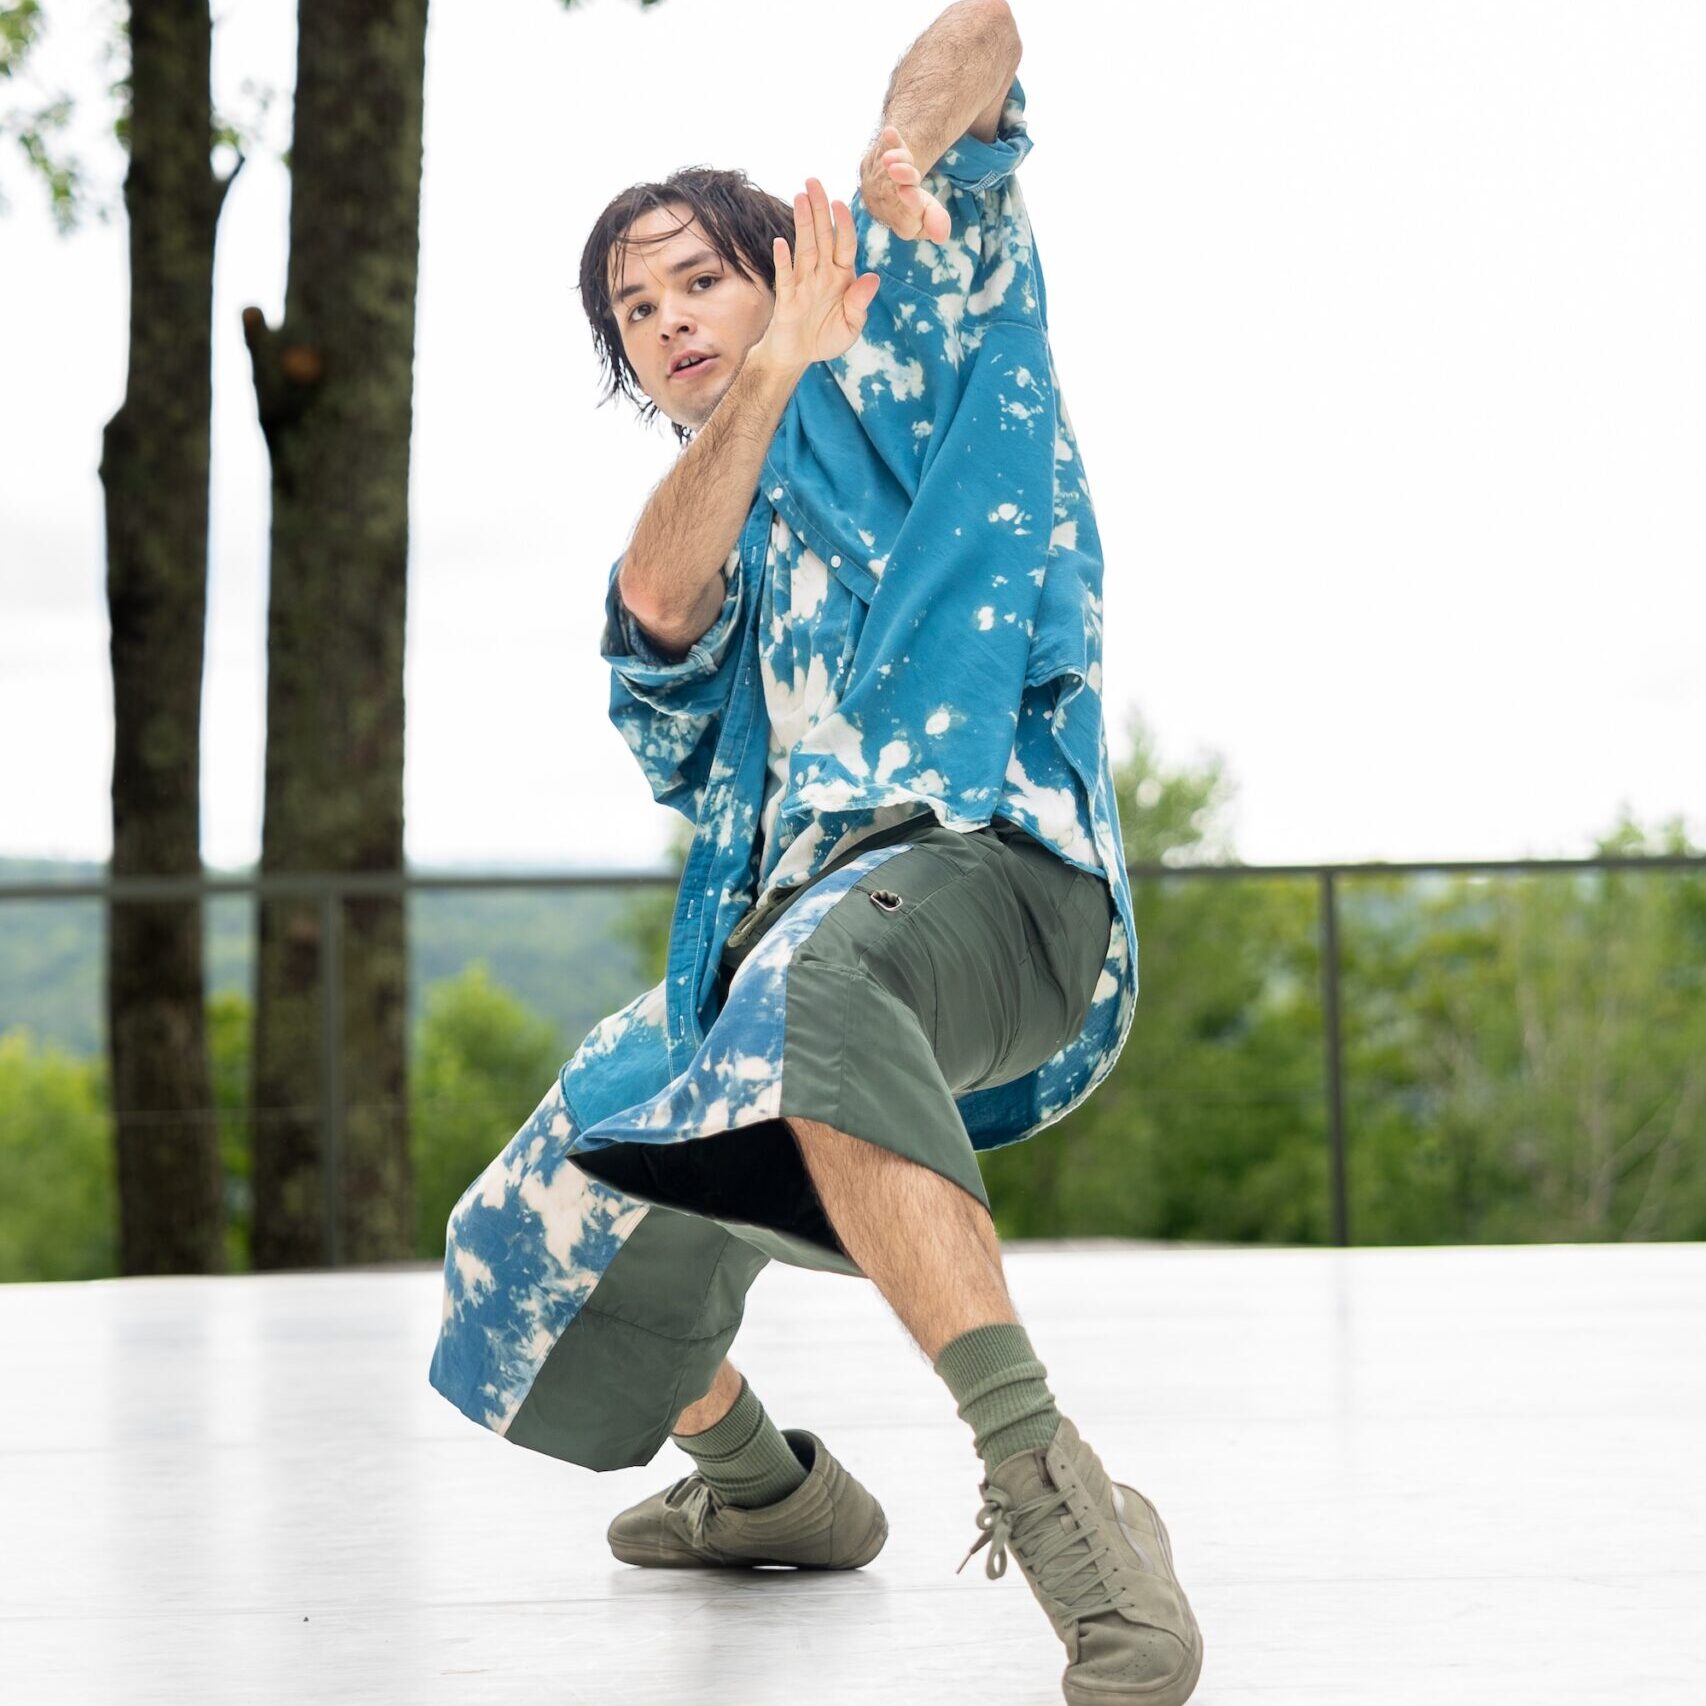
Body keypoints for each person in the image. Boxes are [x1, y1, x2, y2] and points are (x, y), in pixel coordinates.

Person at [428, 3, 1201, 1701]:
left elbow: (978, 30)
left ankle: (1061, 1503)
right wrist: (754, 391)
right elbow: (650, 616)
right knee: (529, 1207)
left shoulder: (916, 333)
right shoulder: (708, 516)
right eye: (635, 309)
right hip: (788, 951)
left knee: (818, 966)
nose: (667, 318)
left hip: (1002, 885)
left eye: (697, 277)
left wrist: (900, 159)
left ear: (785, 265)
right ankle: (768, 1493)